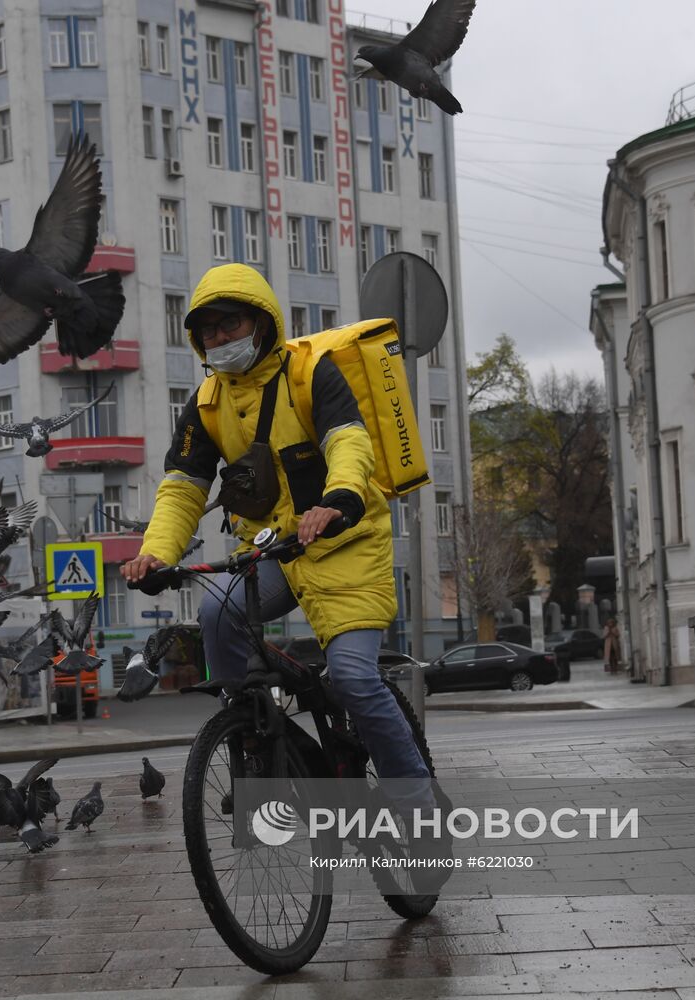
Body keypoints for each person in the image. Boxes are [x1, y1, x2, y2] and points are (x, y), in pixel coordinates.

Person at [121, 263, 439, 828]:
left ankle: (417, 806)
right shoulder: (207, 403)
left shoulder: (310, 373)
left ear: (262, 322)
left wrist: (338, 499)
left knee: (353, 678)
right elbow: (182, 486)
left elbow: (349, 442)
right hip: (271, 550)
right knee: (217, 606)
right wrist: (157, 553)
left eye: (231, 324)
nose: (220, 338)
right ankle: (254, 748)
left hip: (345, 540)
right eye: (208, 330)